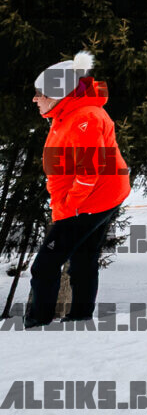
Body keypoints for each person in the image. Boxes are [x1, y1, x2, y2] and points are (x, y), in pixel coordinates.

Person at [25, 54, 128, 327]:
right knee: (83, 259)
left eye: (39, 94)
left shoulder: (85, 118)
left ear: (57, 95)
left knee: (45, 265)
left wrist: (69, 207)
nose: (35, 99)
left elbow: (89, 171)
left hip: (90, 202)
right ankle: (80, 318)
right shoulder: (68, 111)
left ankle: (37, 324)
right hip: (96, 198)